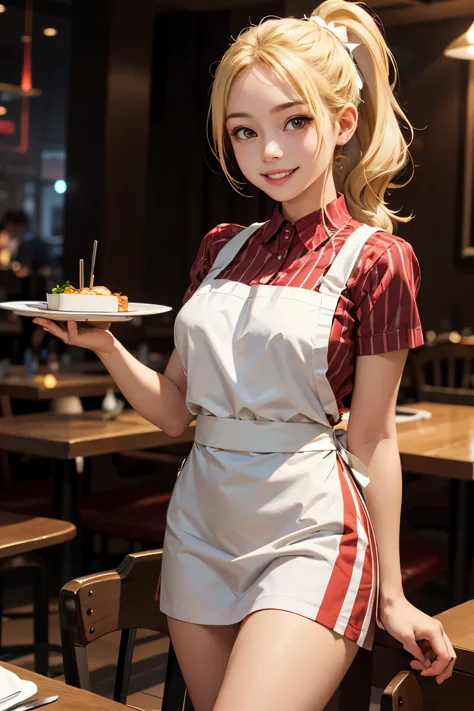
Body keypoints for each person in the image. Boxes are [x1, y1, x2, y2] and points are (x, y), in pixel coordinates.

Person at [33, 1, 456, 709]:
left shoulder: (378, 258)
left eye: (295, 122)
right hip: (199, 523)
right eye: (245, 131)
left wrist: (392, 595)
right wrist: (103, 344)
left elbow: (374, 438)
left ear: (342, 123)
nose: (270, 152)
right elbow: (174, 411)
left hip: (311, 528)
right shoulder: (221, 247)